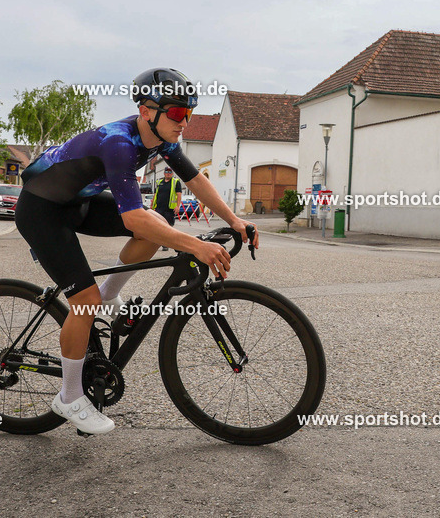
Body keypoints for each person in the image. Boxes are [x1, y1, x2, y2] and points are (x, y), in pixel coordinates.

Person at [15, 68, 259, 435]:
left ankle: (108, 295)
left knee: (156, 224)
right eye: (177, 113)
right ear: (146, 111)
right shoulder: (119, 142)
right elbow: (132, 218)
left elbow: (196, 180)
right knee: (84, 301)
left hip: (78, 203)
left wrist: (235, 220)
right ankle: (69, 397)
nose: (184, 122)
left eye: (189, 113)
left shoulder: (162, 140)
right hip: (41, 210)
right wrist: (196, 245)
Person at [150, 166, 182, 249]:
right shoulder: (159, 182)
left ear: (172, 173)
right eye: (167, 172)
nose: (168, 173)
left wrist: (177, 206)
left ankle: (166, 244)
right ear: (164, 173)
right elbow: (156, 194)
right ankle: (158, 242)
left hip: (169, 209)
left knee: (168, 227)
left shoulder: (176, 182)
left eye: (170, 172)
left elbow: (179, 195)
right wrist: (152, 205)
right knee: (158, 226)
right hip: (159, 208)